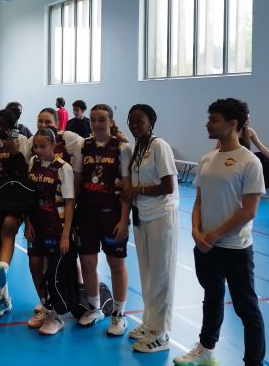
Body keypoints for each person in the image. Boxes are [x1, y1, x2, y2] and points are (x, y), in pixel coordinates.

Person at [173, 98, 266, 366]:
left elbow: (249, 211)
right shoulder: (207, 159)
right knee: (211, 296)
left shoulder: (249, 162)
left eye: (213, 119)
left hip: (234, 248)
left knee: (246, 308)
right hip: (206, 245)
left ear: (232, 124)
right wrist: (196, 231)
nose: (207, 123)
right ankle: (206, 349)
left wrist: (212, 235)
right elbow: (199, 202)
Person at [122, 104, 178, 353]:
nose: (135, 126)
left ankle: (161, 333)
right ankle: (150, 323)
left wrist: (137, 190)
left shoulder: (159, 146)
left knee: (161, 275)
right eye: (131, 121)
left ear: (151, 123)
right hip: (142, 215)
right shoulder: (138, 148)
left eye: (140, 121)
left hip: (161, 216)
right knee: (147, 273)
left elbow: (168, 186)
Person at [75, 104, 131, 336]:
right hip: (86, 213)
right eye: (93, 120)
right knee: (88, 262)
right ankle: (95, 308)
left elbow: (127, 188)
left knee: (116, 263)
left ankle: (119, 314)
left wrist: (124, 219)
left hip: (112, 214)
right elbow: (77, 181)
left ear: (111, 122)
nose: (97, 124)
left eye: (102, 119)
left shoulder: (122, 147)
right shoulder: (83, 146)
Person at [24, 128, 75, 335]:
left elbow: (70, 203)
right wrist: (27, 223)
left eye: (42, 146)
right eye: (35, 146)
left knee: (54, 272)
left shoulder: (64, 168)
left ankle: (56, 316)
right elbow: (29, 197)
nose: (38, 150)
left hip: (56, 224)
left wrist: (66, 235)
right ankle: (45, 305)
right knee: (35, 266)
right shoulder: (32, 163)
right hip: (36, 224)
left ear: (53, 146)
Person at [0, 108, 31, 317]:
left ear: (13, 127)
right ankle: (3, 299)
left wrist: (15, 152)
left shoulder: (23, 141)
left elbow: (26, 173)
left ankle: (3, 268)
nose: (0, 129)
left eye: (5, 126)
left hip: (17, 199)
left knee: (8, 229)